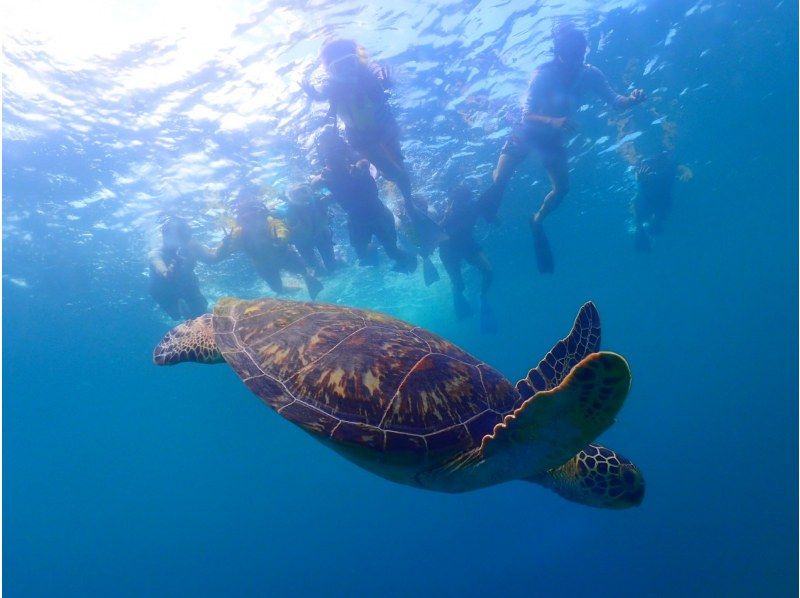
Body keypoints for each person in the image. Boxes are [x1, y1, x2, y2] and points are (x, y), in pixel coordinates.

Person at [480, 22, 646, 273]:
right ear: (560, 53)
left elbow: (615, 101)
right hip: (526, 131)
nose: (578, 59)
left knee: (562, 189)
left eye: (582, 53)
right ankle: (492, 201)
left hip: (551, 139)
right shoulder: (543, 74)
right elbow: (526, 115)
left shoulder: (590, 73)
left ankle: (536, 221)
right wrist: (553, 120)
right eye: (573, 54)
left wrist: (632, 100)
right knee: (500, 179)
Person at [301, 38, 443, 274]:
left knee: (401, 174)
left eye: (351, 62)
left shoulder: (369, 77)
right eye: (340, 67)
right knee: (394, 174)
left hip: (386, 131)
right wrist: (311, 93)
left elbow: (383, 91)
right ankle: (407, 209)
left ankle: (409, 206)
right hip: (363, 140)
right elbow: (321, 96)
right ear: (330, 71)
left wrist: (387, 84)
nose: (348, 70)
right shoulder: (333, 87)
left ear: (359, 59)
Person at [310, 126, 418, 274]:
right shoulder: (326, 173)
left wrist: (360, 169)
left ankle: (411, 259)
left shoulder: (354, 161)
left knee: (392, 252)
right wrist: (321, 179)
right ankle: (377, 256)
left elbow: (365, 161)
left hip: (378, 215)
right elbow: (314, 184)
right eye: (329, 157)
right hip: (356, 220)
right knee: (362, 255)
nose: (332, 160)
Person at [216, 189, 324, 300]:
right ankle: (298, 291)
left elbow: (281, 229)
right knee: (277, 289)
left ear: (262, 213)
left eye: (253, 213)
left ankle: (311, 285)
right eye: (246, 216)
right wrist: (225, 244)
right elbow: (229, 247)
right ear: (240, 219)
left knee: (304, 273)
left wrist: (281, 239)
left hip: (285, 256)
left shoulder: (271, 222)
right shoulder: (238, 232)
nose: (250, 217)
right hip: (263, 266)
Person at [438, 185, 496, 333]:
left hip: (467, 243)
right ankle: (460, 300)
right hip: (448, 249)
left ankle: (482, 297)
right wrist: (445, 217)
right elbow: (434, 233)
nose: (462, 206)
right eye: (459, 202)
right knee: (459, 285)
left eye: (465, 202)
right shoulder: (445, 210)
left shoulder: (473, 206)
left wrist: (493, 216)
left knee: (488, 270)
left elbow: (491, 216)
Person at [148, 217, 218, 320]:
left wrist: (226, 245)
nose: (181, 241)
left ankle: (187, 311)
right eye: (179, 236)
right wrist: (172, 267)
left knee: (203, 315)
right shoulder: (156, 254)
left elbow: (211, 259)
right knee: (176, 316)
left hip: (187, 283)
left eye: (185, 236)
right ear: (165, 236)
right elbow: (163, 272)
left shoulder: (192, 246)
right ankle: (182, 311)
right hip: (162, 290)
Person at [632, 151, 691, 251]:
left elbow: (673, 166)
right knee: (643, 219)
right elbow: (639, 184)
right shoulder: (645, 169)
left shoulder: (660, 162)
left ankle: (649, 232)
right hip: (653, 199)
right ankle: (647, 234)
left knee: (649, 219)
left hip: (658, 199)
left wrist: (685, 170)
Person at [284, 184, 339, 274]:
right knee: (316, 268)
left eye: (304, 191)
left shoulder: (319, 200)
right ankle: (322, 269)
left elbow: (335, 196)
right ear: (291, 197)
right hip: (303, 242)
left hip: (321, 235)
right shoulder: (288, 210)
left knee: (331, 265)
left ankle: (337, 259)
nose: (302, 195)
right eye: (297, 194)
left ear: (309, 191)